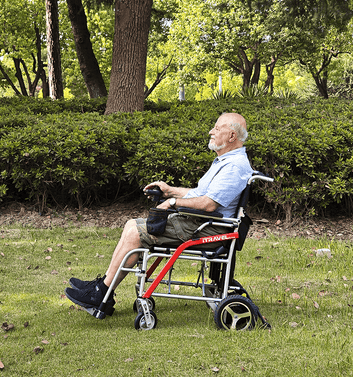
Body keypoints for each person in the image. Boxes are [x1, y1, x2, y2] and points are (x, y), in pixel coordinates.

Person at [65, 112, 254, 316]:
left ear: (232, 136)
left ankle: (101, 293)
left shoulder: (234, 166)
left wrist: (172, 202)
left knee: (136, 234)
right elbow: (199, 194)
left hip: (208, 229)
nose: (211, 131)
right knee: (131, 225)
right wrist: (169, 190)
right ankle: (103, 289)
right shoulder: (225, 161)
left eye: (217, 128)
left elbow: (208, 204)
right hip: (199, 223)